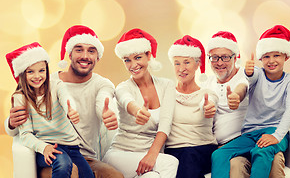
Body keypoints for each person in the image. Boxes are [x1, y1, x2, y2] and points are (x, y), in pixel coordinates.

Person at [5, 25, 124, 178]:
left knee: (115, 176)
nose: (85, 56)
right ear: (69, 53)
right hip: (51, 155)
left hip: (84, 157)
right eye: (79, 49)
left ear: (98, 57)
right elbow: (16, 130)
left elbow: (103, 100)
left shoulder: (102, 84)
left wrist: (106, 113)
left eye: (91, 51)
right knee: (70, 171)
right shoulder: (46, 82)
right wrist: (11, 122)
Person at [211, 25, 290, 178]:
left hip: (275, 131)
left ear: (286, 56)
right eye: (266, 56)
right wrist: (240, 89)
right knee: (218, 154)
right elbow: (246, 81)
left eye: (276, 55)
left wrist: (276, 136)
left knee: (261, 151)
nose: (271, 61)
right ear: (260, 58)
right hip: (251, 134)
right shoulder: (257, 73)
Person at [5, 42, 94, 178]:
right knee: (63, 163)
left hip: (72, 147)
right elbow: (25, 135)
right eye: (30, 72)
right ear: (22, 74)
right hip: (46, 146)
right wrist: (44, 148)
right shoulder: (20, 98)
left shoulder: (56, 85)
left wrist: (71, 110)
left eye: (42, 70)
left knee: (88, 176)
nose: (37, 76)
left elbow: (66, 99)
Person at [103, 28, 179, 177]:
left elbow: (165, 123)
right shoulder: (123, 87)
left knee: (153, 176)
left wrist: (152, 154)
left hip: (148, 156)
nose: (133, 65)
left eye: (138, 57)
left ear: (148, 55)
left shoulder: (167, 85)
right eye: (127, 60)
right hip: (120, 155)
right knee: (171, 163)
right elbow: (127, 101)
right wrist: (137, 111)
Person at [164, 35, 218, 178]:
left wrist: (207, 107)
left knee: (188, 158)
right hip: (173, 150)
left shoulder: (207, 93)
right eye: (177, 63)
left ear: (197, 64)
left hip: (202, 149)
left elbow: (209, 102)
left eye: (186, 62)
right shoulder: (166, 94)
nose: (181, 68)